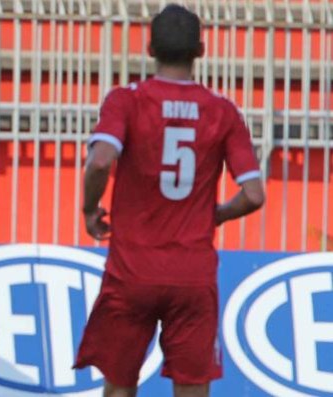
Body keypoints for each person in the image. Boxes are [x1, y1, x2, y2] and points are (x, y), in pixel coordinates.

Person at [72, 5, 265, 397]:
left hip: (131, 272)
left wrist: (91, 209)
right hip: (192, 275)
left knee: (119, 386)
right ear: (201, 50)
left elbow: (99, 162)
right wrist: (216, 215)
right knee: (192, 388)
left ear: (149, 48)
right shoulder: (223, 110)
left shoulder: (127, 100)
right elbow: (254, 194)